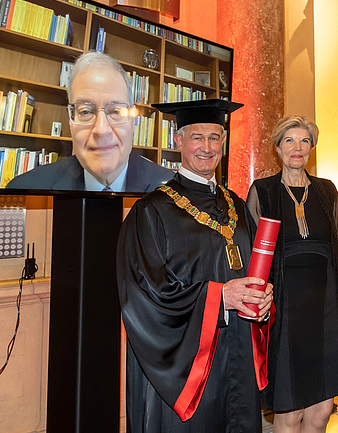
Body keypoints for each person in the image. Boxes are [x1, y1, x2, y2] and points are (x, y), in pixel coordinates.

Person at [116, 98, 275, 431]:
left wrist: (263, 297)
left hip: (238, 352)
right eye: (197, 137)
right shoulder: (152, 211)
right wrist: (219, 298)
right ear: (178, 141)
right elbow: (146, 294)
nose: (207, 147)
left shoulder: (236, 205)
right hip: (188, 367)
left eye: (215, 137)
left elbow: (253, 272)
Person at [245, 116, 338, 432]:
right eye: (290, 141)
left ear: (312, 147)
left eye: (304, 141)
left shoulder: (326, 191)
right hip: (284, 312)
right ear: (278, 148)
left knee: (322, 410)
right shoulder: (262, 191)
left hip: (324, 311)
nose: (297, 147)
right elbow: (255, 260)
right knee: (290, 411)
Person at [7, 52, 173, 192]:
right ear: (71, 121)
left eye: (115, 111)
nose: (101, 130)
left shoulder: (175, 193)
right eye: (85, 112)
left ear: (132, 122)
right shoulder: (24, 192)